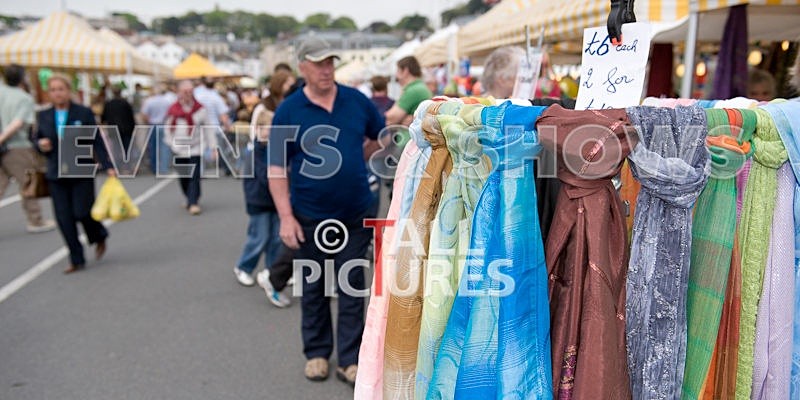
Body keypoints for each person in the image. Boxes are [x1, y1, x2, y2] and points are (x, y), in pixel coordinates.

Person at [268, 36, 384, 385]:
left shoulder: (355, 100)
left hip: (354, 212)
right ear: (302, 66)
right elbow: (276, 168)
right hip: (309, 214)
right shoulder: (288, 111)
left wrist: (354, 161)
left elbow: (379, 137)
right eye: (319, 63)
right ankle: (317, 353)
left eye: (331, 62)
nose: (326, 69)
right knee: (314, 286)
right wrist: (286, 217)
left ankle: (349, 359)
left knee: (352, 286)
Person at [34, 74, 116, 273]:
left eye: (60, 89)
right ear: (49, 93)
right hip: (56, 173)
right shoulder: (44, 116)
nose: (57, 93)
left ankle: (98, 235)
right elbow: (36, 139)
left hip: (81, 170)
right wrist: (40, 144)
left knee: (82, 212)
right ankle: (76, 258)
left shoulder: (83, 112)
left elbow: (97, 140)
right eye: (53, 90)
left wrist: (108, 165)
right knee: (64, 218)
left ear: (68, 91)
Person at [232, 69, 296, 307]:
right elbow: (258, 178)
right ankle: (243, 266)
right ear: (259, 130)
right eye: (267, 129)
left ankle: (271, 271)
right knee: (259, 237)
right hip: (259, 201)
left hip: (274, 201)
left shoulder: (275, 149)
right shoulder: (255, 152)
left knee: (276, 239)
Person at [0, 64, 56, 233]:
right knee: (28, 183)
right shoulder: (24, 98)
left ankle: (36, 220)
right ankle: (35, 220)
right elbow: (18, 123)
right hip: (17, 146)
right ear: (22, 78)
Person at [163, 80, 217, 216]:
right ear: (179, 92)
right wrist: (170, 143)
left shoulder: (200, 109)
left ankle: (193, 202)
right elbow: (167, 128)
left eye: (190, 92)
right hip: (178, 148)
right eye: (185, 92)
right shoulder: (173, 109)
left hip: (196, 147)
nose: (188, 94)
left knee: (194, 175)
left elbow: (209, 129)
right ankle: (190, 197)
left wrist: (213, 147)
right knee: (183, 176)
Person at [385, 56, 432, 127]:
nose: (396, 75)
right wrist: (402, 118)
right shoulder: (419, 87)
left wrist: (399, 120)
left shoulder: (413, 90)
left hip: (408, 136)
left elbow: (391, 117)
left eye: (398, 71)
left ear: (405, 71)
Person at [139, 84, 176, 175]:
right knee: (165, 147)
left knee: (153, 147)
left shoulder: (149, 101)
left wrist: (149, 120)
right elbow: (171, 114)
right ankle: (163, 168)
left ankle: (154, 167)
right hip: (163, 125)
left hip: (153, 125)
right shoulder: (167, 101)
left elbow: (144, 114)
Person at [101, 84, 136, 157]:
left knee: (116, 149)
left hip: (114, 130)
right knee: (127, 148)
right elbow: (131, 117)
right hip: (126, 129)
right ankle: (126, 164)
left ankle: (118, 164)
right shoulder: (125, 103)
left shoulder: (109, 104)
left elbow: (104, 118)